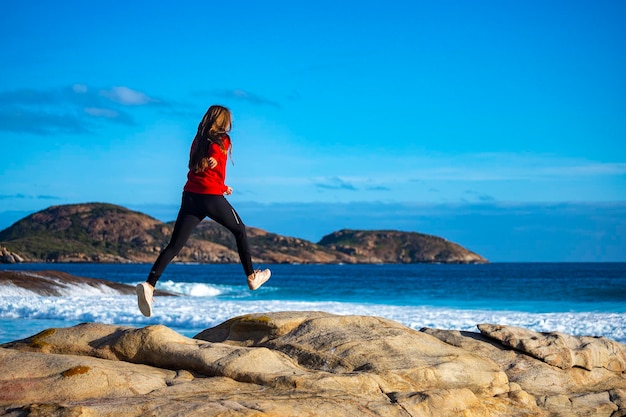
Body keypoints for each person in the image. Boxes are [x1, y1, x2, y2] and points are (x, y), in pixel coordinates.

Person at [136, 105, 271, 317]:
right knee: (240, 230)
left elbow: (198, 168)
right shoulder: (222, 139)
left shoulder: (197, 140)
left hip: (191, 196)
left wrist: (221, 186)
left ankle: (149, 285)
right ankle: (252, 277)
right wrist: (215, 161)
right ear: (222, 121)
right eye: (228, 120)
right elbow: (215, 155)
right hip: (210, 197)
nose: (230, 124)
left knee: (174, 246)